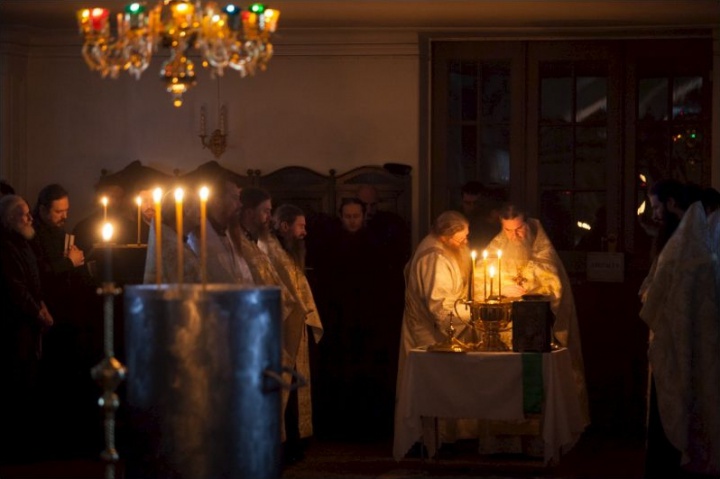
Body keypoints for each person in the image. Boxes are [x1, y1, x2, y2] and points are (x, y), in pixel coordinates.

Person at [229, 187, 322, 456]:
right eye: (266, 211)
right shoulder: (248, 245)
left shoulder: (260, 243)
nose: (269, 217)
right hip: (260, 329)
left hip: (278, 323)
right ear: (249, 212)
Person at [484, 204, 589, 422]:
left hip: (537, 327)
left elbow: (554, 285)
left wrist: (528, 288)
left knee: (536, 381)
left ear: (527, 223)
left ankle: (541, 432)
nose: (514, 236)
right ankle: (505, 432)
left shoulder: (542, 248)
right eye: (508, 230)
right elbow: (481, 283)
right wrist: (501, 289)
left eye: (518, 229)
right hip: (505, 329)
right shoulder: (496, 247)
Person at [639, 197, 720, 477]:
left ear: (672, 205)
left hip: (674, 340)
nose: (655, 214)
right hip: (696, 341)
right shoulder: (696, 248)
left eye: (657, 207)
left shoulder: (680, 250)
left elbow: (655, 302)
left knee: (675, 398)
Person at [31, 184, 99, 458]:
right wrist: (70, 262)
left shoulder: (61, 233)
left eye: (66, 210)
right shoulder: (33, 237)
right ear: (43, 210)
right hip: (51, 317)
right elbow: (42, 275)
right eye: (59, 211)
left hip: (71, 313)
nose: (64, 216)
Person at [0, 194, 54, 463]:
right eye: (24, 214)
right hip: (15, 325)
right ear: (10, 219)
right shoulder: (5, 247)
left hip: (29, 322)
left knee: (29, 378)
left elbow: (33, 281)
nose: (30, 217)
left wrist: (42, 305)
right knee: (17, 380)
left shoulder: (23, 242)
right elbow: (16, 288)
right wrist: (37, 311)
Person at [271, 203, 324, 461]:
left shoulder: (288, 253)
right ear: (284, 226)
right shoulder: (273, 253)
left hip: (296, 327)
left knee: (295, 386)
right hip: (281, 331)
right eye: (300, 226)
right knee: (284, 387)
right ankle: (285, 445)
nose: (305, 232)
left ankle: (296, 442)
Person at [397, 210, 472, 380]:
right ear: (445, 236)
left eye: (466, 236)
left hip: (432, 331)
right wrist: (475, 312)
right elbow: (441, 310)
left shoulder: (443, 247)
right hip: (429, 336)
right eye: (461, 239)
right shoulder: (434, 258)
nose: (465, 242)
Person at [186, 176, 253, 284]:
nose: (240, 204)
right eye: (234, 198)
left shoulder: (230, 232)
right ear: (217, 201)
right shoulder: (198, 237)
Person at [143, 192, 201, 284]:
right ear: (185, 209)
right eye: (197, 207)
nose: (201, 212)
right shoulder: (172, 249)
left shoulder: (174, 241)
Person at [459, 180, 504, 251]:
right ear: (462, 202)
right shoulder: (457, 218)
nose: (472, 206)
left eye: (475, 203)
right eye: (467, 203)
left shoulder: (490, 220)